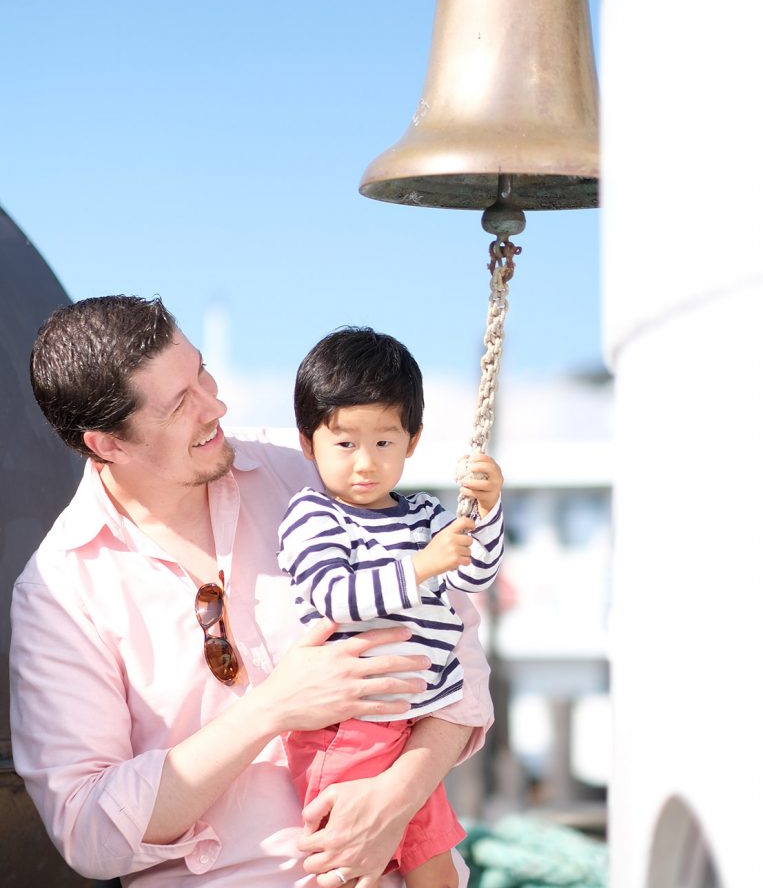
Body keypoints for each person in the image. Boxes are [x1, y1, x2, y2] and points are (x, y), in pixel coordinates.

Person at [9, 295, 494, 888]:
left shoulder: (310, 465)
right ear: (109, 443)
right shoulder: (60, 590)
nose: (216, 405)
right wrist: (272, 709)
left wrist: (401, 793)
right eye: (179, 404)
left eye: (201, 372)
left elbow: (460, 650)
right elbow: (90, 833)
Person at [278, 328, 505, 888]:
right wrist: (421, 567)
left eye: (384, 443)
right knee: (350, 864)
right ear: (309, 443)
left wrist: (489, 510)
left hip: (413, 728)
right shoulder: (314, 516)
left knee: (437, 868)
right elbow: (335, 597)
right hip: (347, 725)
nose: (365, 463)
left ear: (412, 440)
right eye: (345, 443)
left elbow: (475, 571)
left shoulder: (424, 514)